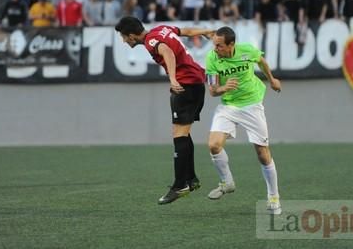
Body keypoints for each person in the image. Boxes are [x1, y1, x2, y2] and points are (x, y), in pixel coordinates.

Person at [114, 16, 214, 205]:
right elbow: (186, 31)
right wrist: (206, 32)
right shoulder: (161, 29)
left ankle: (179, 185)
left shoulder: (152, 41)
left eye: (124, 37)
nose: (124, 41)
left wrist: (173, 79)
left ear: (133, 35)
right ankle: (191, 178)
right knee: (182, 133)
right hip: (195, 83)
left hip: (185, 85)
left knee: (179, 134)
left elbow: (166, 51)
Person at [205, 26, 283, 215]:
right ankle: (227, 182)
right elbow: (213, 91)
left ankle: (273, 196)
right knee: (214, 145)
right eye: (215, 45)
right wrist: (224, 88)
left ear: (232, 44)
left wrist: (271, 79)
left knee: (262, 153)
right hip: (228, 106)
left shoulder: (247, 50)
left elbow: (261, 60)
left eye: (220, 46)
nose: (216, 49)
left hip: (252, 105)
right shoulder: (212, 58)